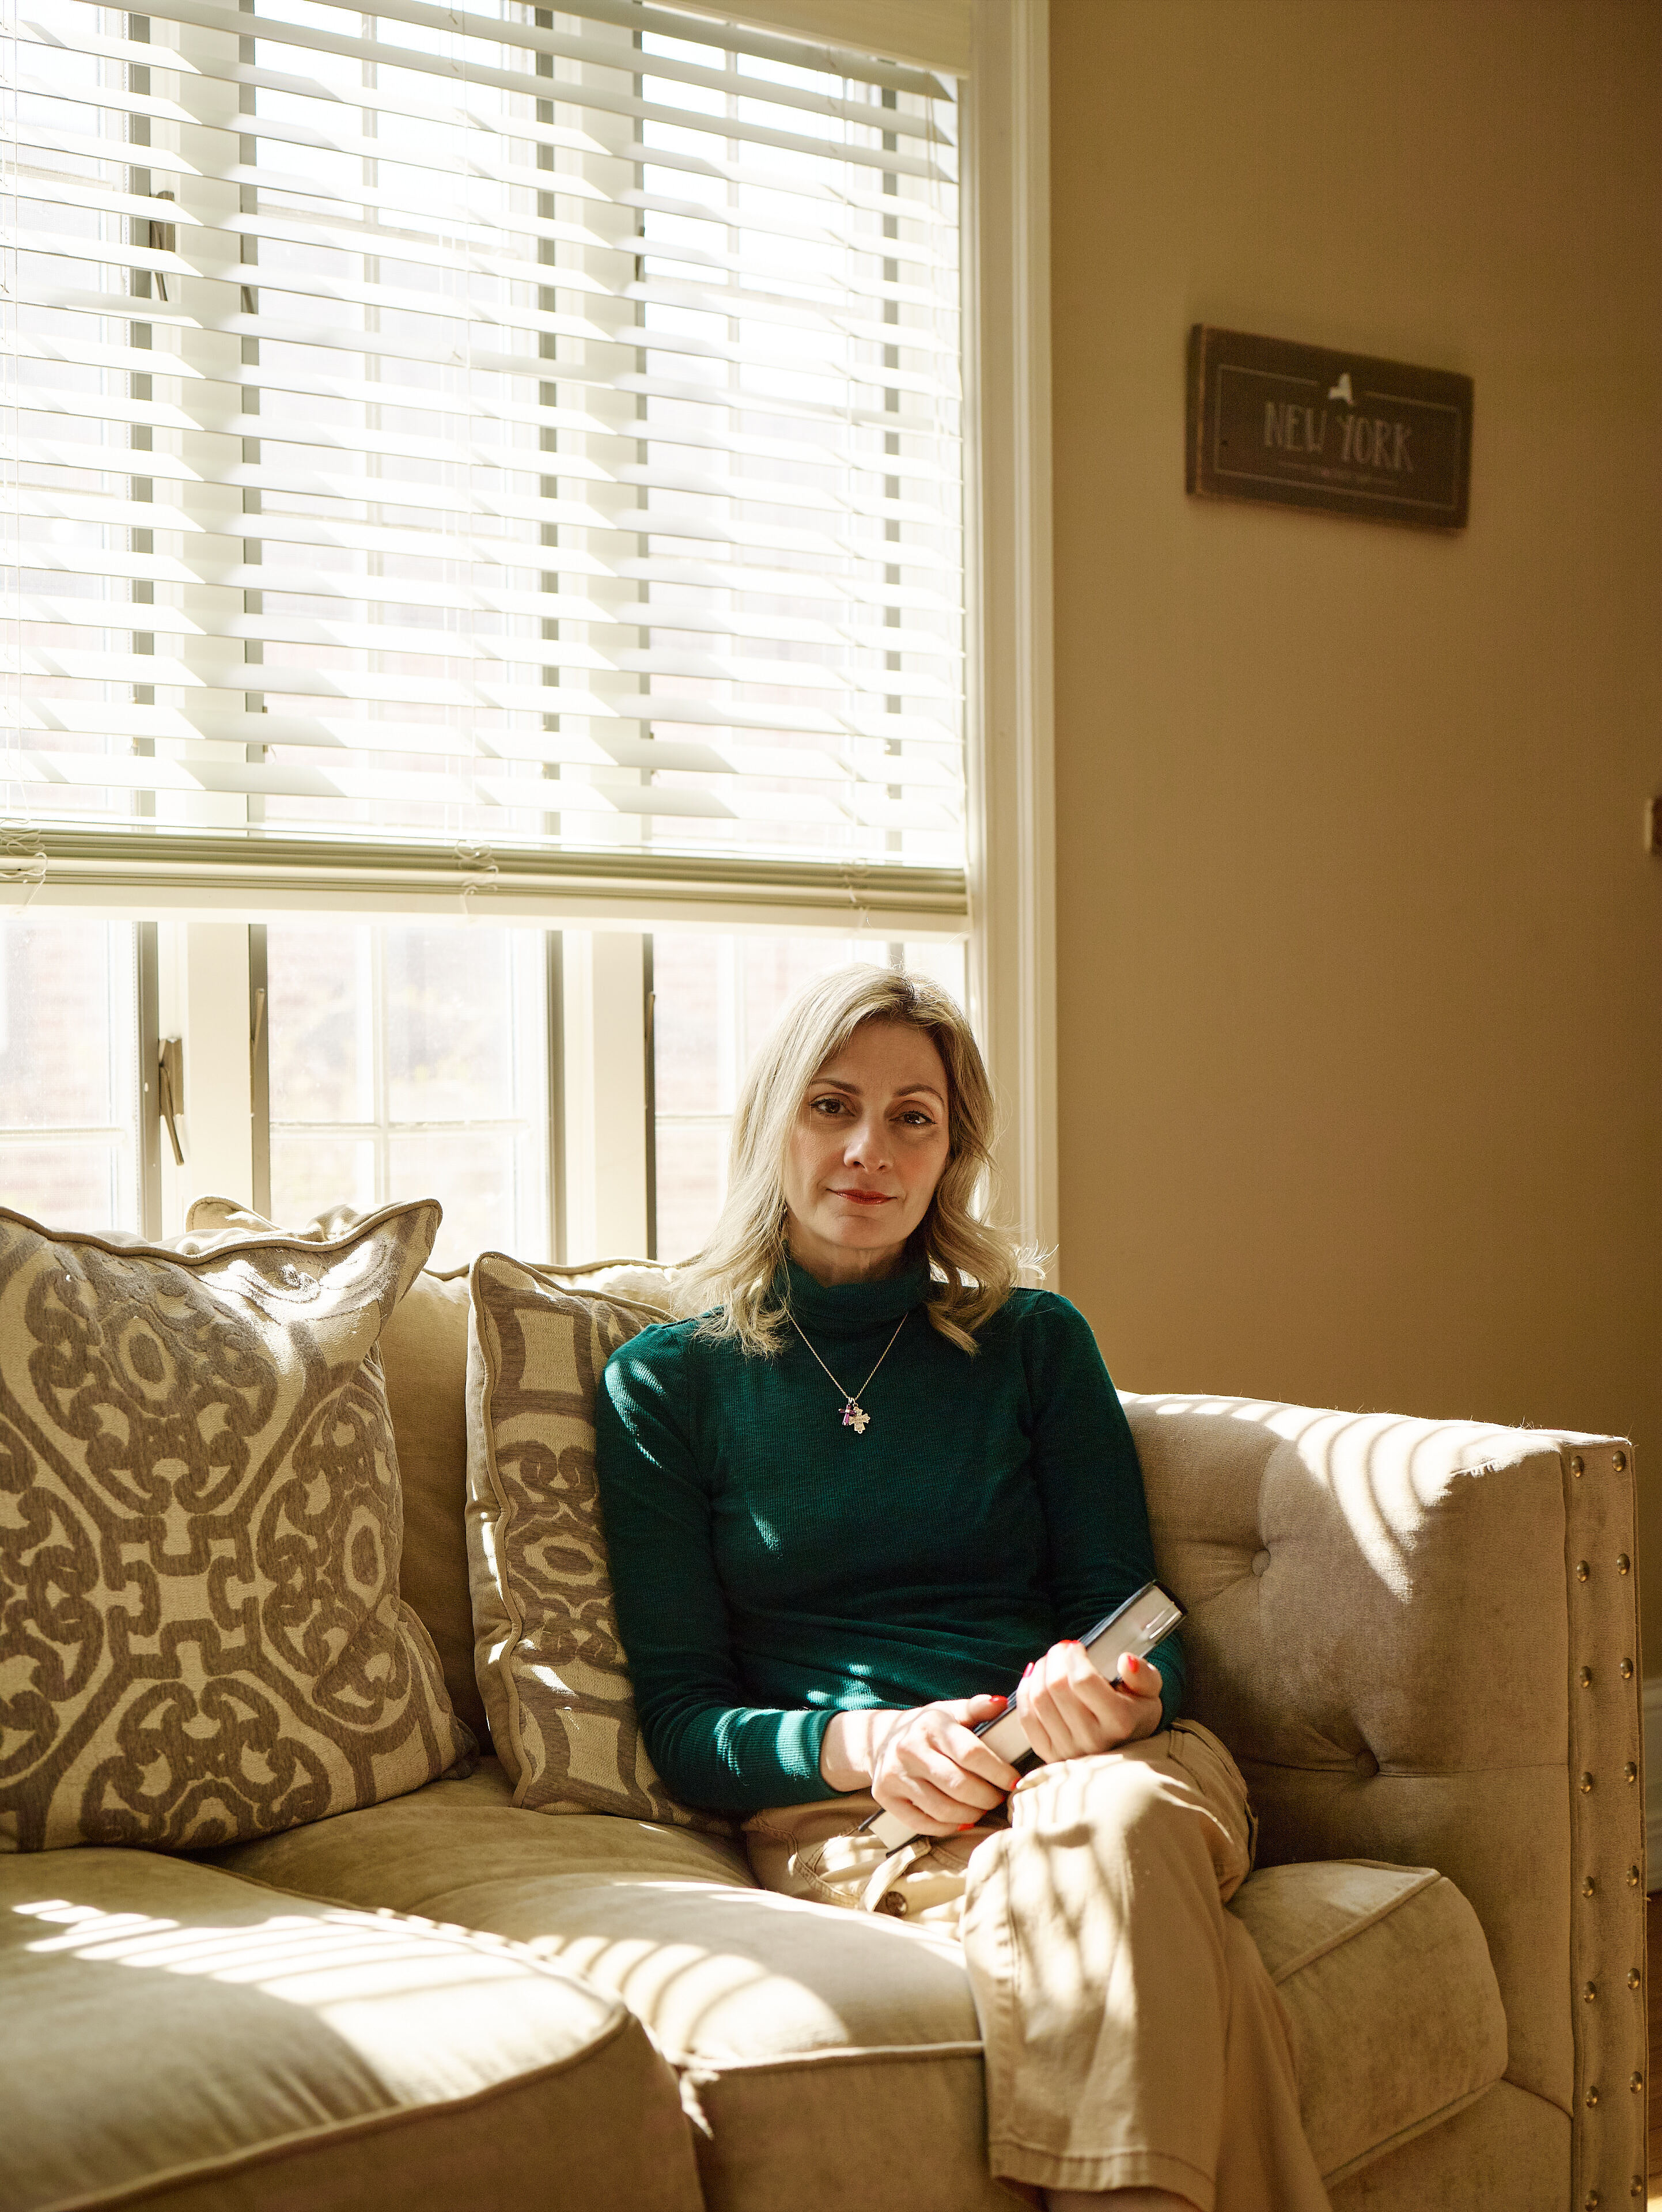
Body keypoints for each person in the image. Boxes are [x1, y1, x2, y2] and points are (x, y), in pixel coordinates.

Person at [595, 965, 1330, 2212]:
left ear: (954, 1152)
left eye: (913, 1118)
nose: (868, 1149)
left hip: (1103, 1773)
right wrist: (868, 1744)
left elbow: (1136, 1614)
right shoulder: (670, 1385)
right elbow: (684, 1723)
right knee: (1144, 1912)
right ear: (774, 1118)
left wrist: (1122, 1698)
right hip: (866, 1815)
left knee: (1112, 1823)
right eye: (832, 1106)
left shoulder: (1036, 1343)